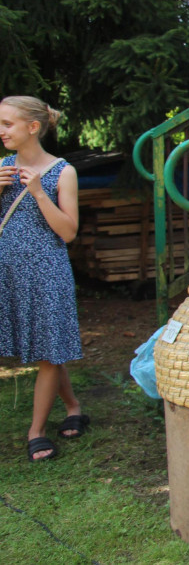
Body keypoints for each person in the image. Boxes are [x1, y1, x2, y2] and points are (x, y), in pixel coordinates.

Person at [0, 95, 88, 462]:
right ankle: (73, 406)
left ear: (32, 127)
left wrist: (38, 192)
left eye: (8, 124)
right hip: (6, 272)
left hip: (47, 273)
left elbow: (68, 232)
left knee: (50, 350)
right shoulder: (2, 168)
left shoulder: (62, 171)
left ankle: (36, 432)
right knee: (46, 348)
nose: (1, 131)